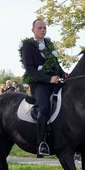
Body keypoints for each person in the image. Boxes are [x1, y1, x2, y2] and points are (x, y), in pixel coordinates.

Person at [21, 19, 67, 157]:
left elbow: (55, 64)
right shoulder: (27, 47)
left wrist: (63, 73)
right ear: (33, 30)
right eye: (40, 28)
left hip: (55, 80)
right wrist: (48, 79)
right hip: (39, 83)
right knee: (45, 108)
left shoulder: (49, 44)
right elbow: (30, 70)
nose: (43, 30)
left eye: (44, 28)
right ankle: (41, 143)